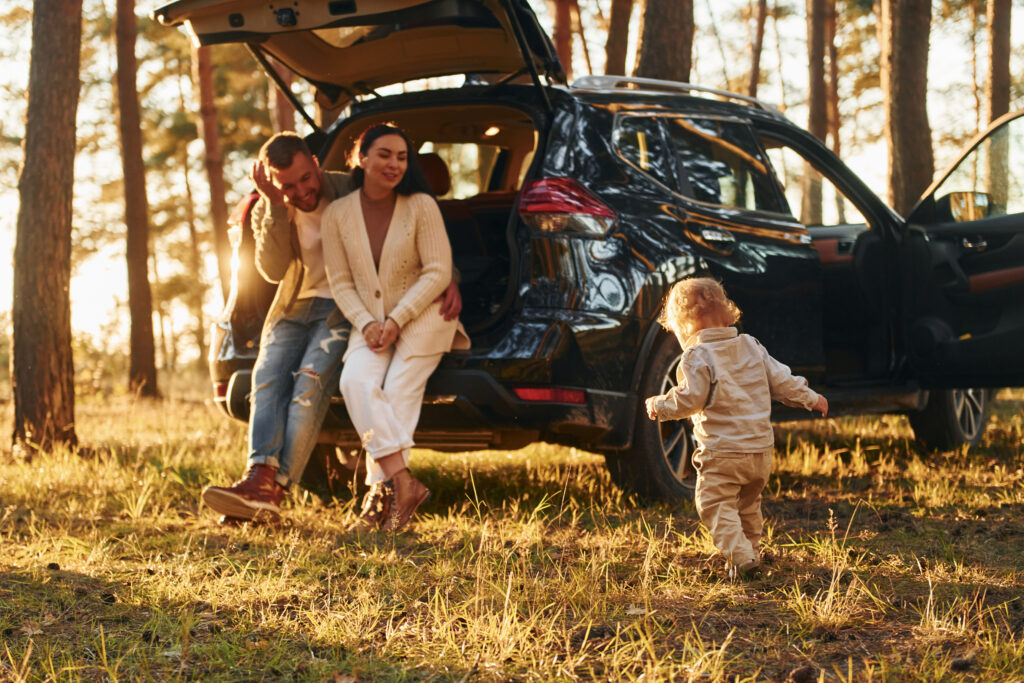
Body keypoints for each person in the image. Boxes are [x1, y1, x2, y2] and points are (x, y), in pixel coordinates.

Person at [201, 131, 461, 523]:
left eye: (306, 178)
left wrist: (448, 276)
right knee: (266, 379)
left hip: (343, 307)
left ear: (316, 165)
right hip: (296, 303)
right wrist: (274, 205)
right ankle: (260, 477)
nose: (302, 191)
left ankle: (280, 490)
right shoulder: (268, 206)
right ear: (273, 182)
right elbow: (272, 271)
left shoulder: (347, 189)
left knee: (309, 383)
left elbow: (411, 238)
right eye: (287, 185)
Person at [322, 124, 470, 533]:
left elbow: (438, 269)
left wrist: (396, 319)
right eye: (385, 154)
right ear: (361, 157)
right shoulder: (337, 214)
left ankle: (378, 498)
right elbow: (340, 281)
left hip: (425, 316)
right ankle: (403, 484)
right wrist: (369, 323)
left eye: (402, 157)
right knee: (355, 383)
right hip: (368, 322)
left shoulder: (421, 204)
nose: (394, 164)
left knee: (399, 390)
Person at [645, 278, 828, 580]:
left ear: (686, 328)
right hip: (759, 453)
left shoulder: (697, 356)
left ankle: (741, 557)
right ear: (729, 315)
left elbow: (690, 399)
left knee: (715, 503)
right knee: (747, 506)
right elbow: (783, 382)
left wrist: (659, 405)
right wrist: (812, 399)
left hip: (722, 453)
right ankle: (750, 555)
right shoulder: (752, 346)